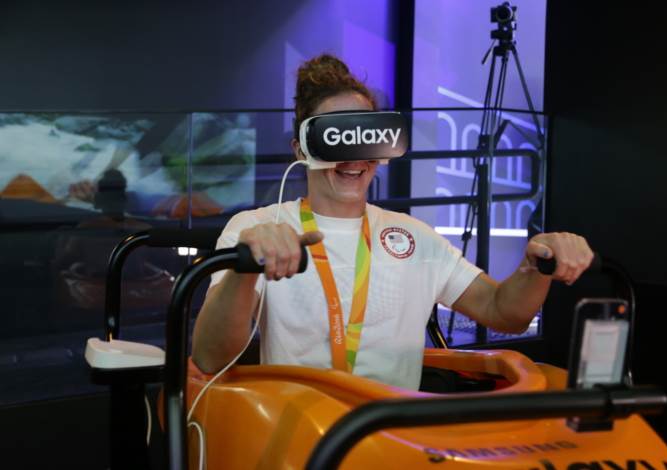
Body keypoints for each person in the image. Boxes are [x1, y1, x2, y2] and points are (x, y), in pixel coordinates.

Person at [192, 54, 593, 390]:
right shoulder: (257, 229)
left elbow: (504, 311)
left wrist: (535, 267)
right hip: (299, 432)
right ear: (302, 147)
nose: (353, 158)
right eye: (336, 139)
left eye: (365, 136)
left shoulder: (414, 236)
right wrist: (245, 269)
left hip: (394, 435)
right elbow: (210, 357)